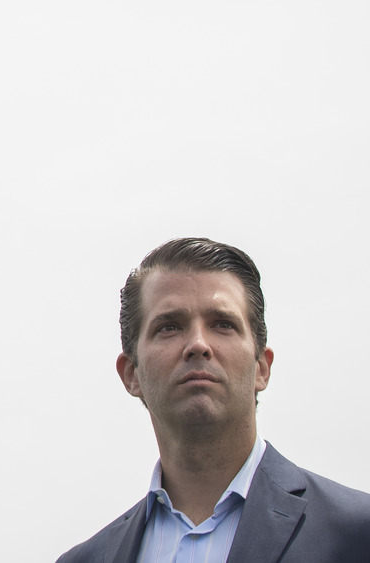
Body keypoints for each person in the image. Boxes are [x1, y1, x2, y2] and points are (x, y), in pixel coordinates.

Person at [58, 237, 370, 563]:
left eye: (222, 324)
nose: (197, 344)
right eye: (169, 327)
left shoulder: (358, 534)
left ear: (261, 367)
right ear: (131, 373)